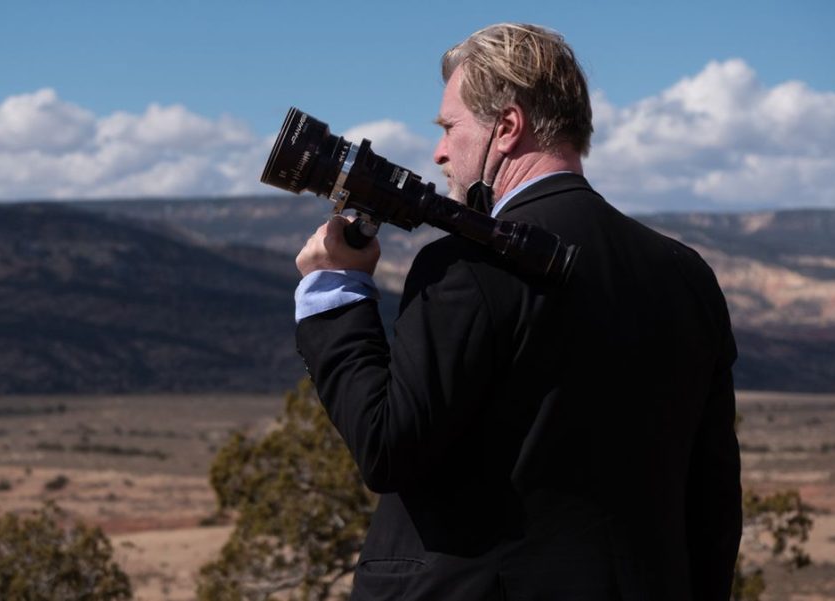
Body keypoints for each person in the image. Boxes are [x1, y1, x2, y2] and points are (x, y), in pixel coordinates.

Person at [293, 23, 741, 600]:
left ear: (506, 128)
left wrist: (336, 292)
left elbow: (387, 447)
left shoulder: (466, 267)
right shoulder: (686, 275)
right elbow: (713, 500)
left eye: (450, 127)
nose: (439, 151)